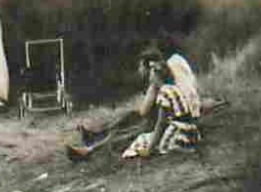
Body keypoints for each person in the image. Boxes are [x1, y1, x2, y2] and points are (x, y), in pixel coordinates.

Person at [68, 46, 197, 160]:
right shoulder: (164, 81)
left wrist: (151, 88)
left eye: (141, 66)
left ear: (150, 68)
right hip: (159, 121)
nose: (139, 70)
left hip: (161, 124)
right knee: (127, 120)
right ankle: (94, 138)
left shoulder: (159, 85)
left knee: (125, 130)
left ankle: (90, 149)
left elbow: (144, 111)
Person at [123, 54, 201, 158]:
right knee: (145, 138)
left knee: (162, 148)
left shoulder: (163, 93)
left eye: (151, 74)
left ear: (156, 76)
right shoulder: (172, 88)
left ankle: (181, 148)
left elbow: (161, 123)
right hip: (191, 127)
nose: (150, 77)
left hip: (179, 128)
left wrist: (149, 150)